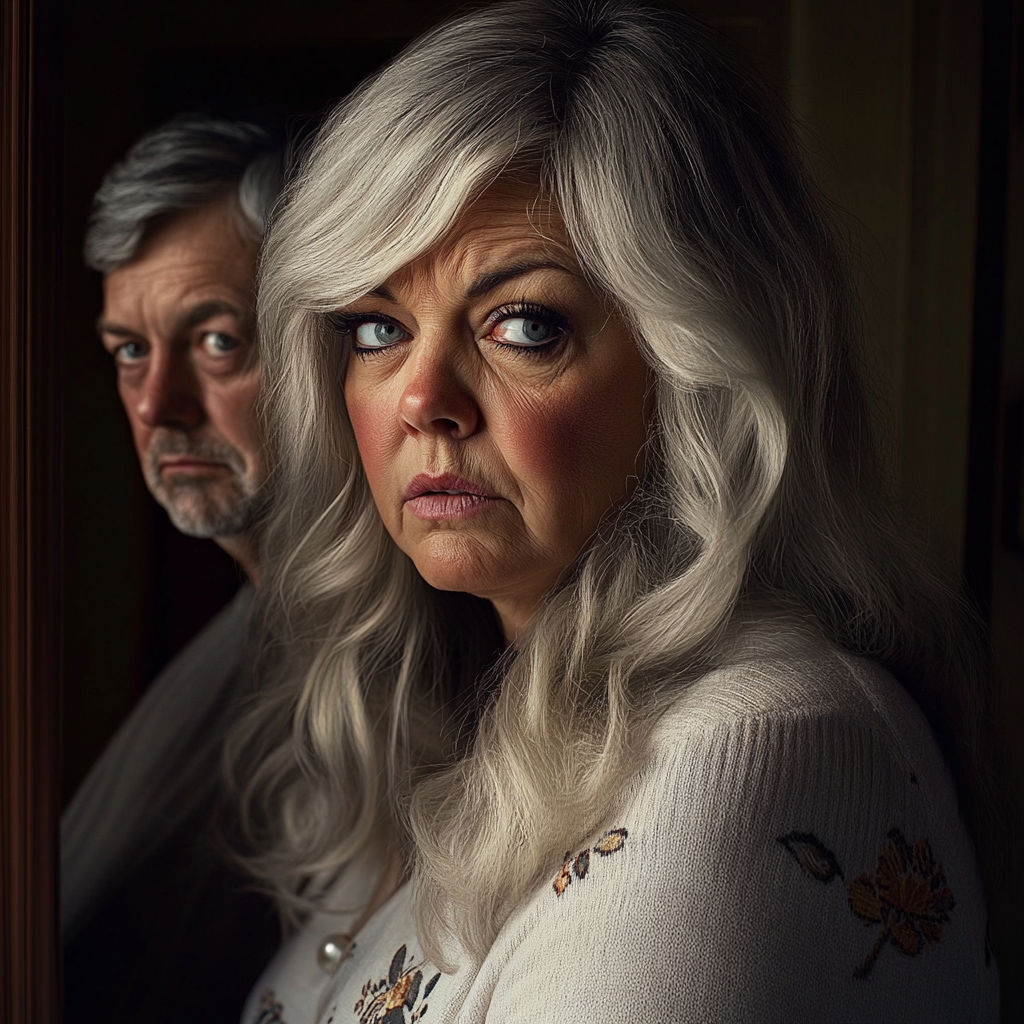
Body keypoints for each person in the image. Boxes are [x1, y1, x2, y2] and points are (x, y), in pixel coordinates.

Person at [231, 2, 1000, 1020]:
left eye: (523, 324)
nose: (423, 399)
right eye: (377, 327)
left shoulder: (765, 744)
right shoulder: (445, 714)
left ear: (693, 373)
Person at [62, 115, 283, 1024]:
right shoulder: (242, 644)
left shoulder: (429, 645)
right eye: (130, 351)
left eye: (217, 340)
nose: (158, 404)